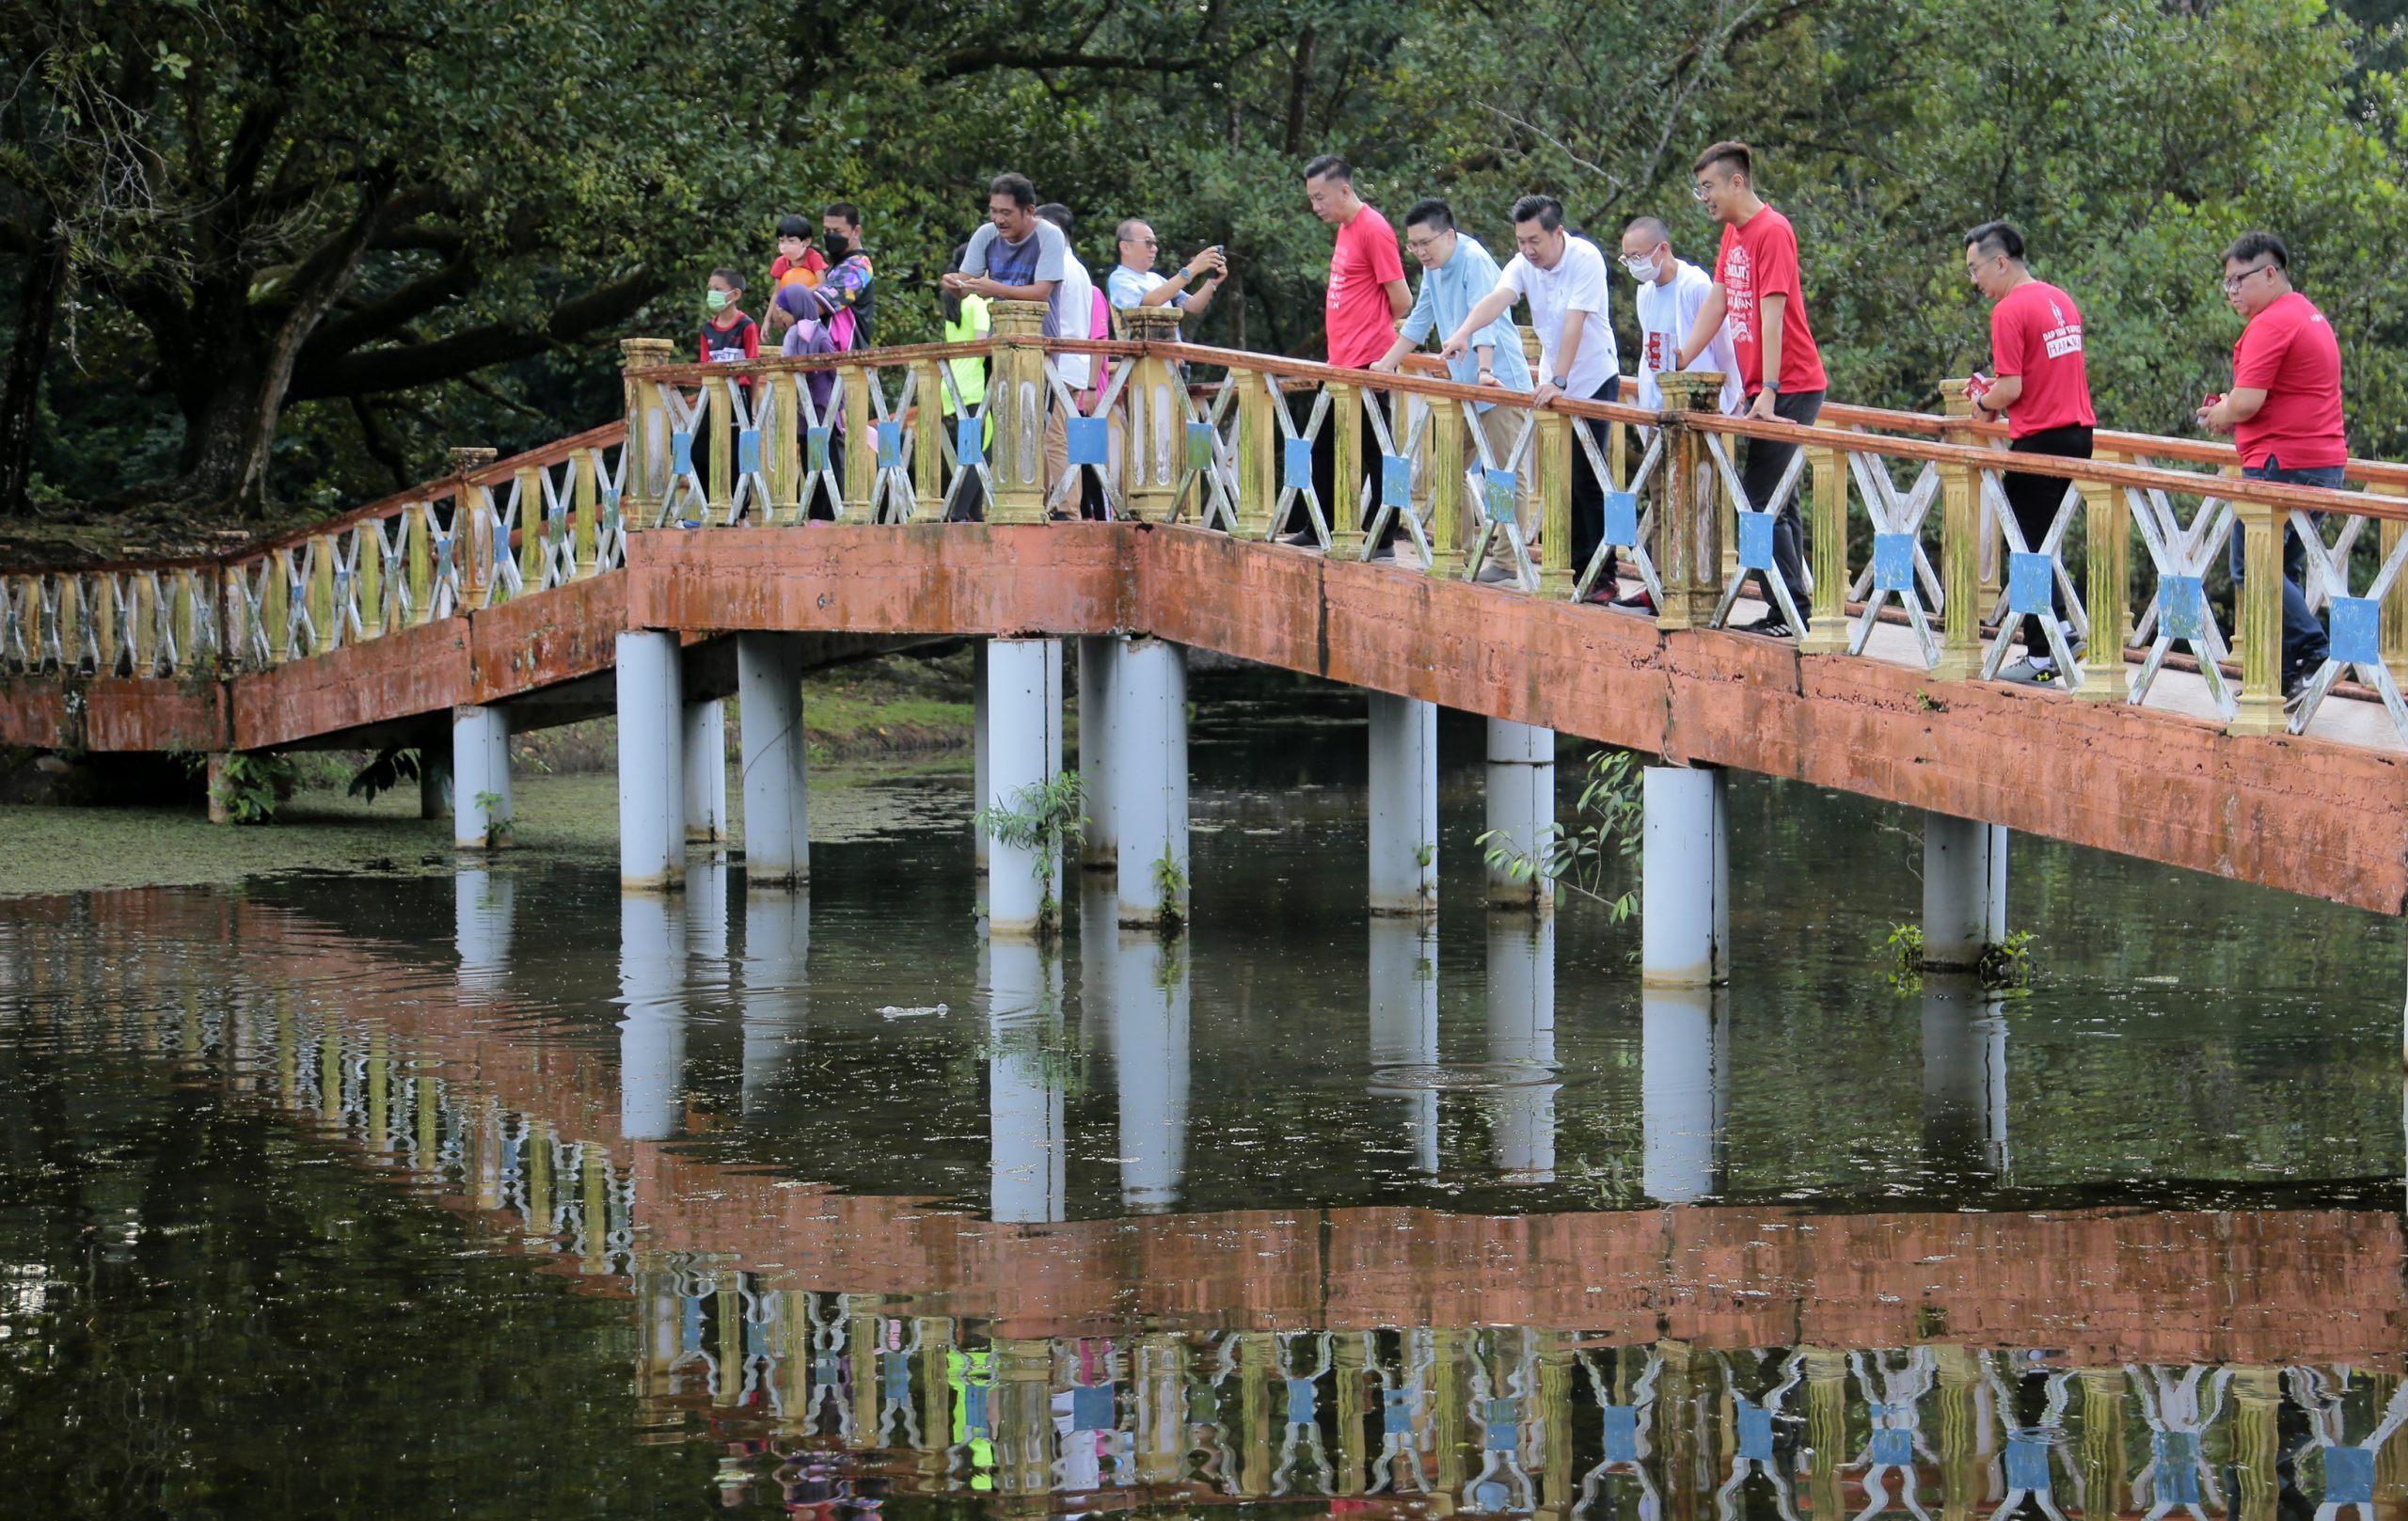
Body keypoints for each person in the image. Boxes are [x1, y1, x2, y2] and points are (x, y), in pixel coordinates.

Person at [1679, 140, 1828, 638]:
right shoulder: (1733, 235)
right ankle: (1788, 606)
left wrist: (1767, 387)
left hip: (1791, 383)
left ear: (1736, 181)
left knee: (1762, 500)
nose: (1704, 197)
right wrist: (1682, 356)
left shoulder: (1772, 231)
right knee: (1776, 500)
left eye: (1708, 187)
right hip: (1762, 385)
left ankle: (1789, 610)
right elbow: (1720, 302)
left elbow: (1773, 312)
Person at [1440, 194, 1619, 597]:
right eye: (1521, 241)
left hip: (1591, 376)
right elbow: (1496, 300)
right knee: (1561, 476)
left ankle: (1602, 575)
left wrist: (1559, 379)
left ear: (1558, 233)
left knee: (1588, 479)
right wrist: (1464, 331)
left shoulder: (1585, 258)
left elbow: (1576, 322)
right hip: (1553, 382)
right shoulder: (1523, 265)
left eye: (1534, 240)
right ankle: (1571, 569)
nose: (1527, 250)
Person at [2198, 230, 2338, 694]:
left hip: (2281, 462)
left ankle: (2315, 650)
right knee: (2285, 570)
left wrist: (2222, 412)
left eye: (2239, 280)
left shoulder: (2272, 322)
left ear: (2271, 273)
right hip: (2320, 462)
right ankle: (2280, 676)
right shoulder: (2309, 315)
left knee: (2253, 568)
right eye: (2228, 284)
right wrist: (2231, 406)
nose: (2233, 291)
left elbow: (2247, 403)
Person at [1963, 221, 2095, 685]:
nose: (1975, 281)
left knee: (2025, 549)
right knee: (2041, 543)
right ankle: (2059, 629)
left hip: (2040, 439)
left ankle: (2043, 653)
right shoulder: (2061, 299)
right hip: (2079, 434)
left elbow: (2012, 387)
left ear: (2001, 262)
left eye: (1976, 269)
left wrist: (1980, 400)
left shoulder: (2009, 310)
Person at [1370, 198, 1532, 570]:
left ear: (1449, 236)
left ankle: (1508, 563)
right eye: (1412, 245)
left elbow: (1486, 317)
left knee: (1505, 474)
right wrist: (1385, 365)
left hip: (1498, 382)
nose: (1419, 252)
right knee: (1446, 465)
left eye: (1425, 243)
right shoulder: (1433, 269)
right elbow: (1419, 320)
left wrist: (1485, 371)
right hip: (1464, 386)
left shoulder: (1473, 260)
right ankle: (1454, 552)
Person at [1615, 214, 1740, 612]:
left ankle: (1691, 589)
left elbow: (1723, 345)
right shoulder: (1646, 293)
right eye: (1628, 257)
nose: (1634, 263)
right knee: (1659, 499)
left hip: (1695, 411)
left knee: (1692, 500)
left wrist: (1729, 400)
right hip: (1657, 411)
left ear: (1662, 249)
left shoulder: (1695, 286)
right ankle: (1659, 586)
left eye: (1639, 255)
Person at [1303, 154, 1411, 555]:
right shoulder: (1346, 228)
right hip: (1340, 359)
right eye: (1312, 199)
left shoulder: (1373, 229)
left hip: (1369, 359)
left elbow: (1402, 299)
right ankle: (1320, 526)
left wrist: (1372, 331)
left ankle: (1382, 534)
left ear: (1345, 190)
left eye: (1320, 198)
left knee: (1375, 450)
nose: (1316, 207)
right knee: (1322, 447)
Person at [945, 173, 1072, 497]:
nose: (998, 219)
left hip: (1038, 347)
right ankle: (1009, 501)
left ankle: (1039, 502)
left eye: (1006, 213)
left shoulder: (1050, 237)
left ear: (1029, 211)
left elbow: (1042, 291)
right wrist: (955, 286)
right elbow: (966, 281)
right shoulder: (986, 235)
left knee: (1033, 429)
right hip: (998, 346)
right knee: (1003, 429)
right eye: (993, 211)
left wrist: (993, 288)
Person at [1036, 202, 1108, 517]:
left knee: (1053, 439)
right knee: (1057, 437)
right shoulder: (1079, 268)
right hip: (1074, 365)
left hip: (1057, 365)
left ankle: (1066, 508)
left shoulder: (1054, 266)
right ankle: (1057, 504)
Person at [767, 282, 841, 520]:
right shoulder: (794, 335)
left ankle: (832, 514)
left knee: (827, 463)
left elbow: (836, 371)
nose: (781, 317)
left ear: (797, 308)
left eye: (783, 311)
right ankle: (814, 514)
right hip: (802, 414)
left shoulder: (819, 335)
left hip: (822, 411)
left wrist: (841, 407)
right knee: (810, 463)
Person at [696, 267, 758, 514]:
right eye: (710, 289)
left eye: (718, 290)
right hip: (712, 397)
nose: (712, 294)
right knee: (697, 452)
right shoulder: (707, 330)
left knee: (735, 456)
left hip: (738, 398)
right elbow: (703, 368)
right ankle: (712, 504)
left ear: (734, 294)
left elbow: (754, 367)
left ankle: (738, 510)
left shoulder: (746, 325)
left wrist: (753, 405)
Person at [941, 243, 992, 522]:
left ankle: (972, 511)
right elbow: (983, 345)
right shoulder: (978, 303)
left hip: (954, 383)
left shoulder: (954, 302)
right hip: (975, 384)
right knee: (985, 451)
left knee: (971, 448)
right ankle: (959, 512)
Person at [1107, 219, 1227, 336]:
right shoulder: (1118, 279)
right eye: (1148, 243)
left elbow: (1193, 305)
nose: (1155, 249)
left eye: (1154, 243)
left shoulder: (1156, 279)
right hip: (1142, 355)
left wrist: (1212, 283)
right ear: (1125, 247)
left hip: (1171, 354)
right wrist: (1193, 268)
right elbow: (1149, 305)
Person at [815, 202, 875, 349]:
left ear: (856, 231)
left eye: (837, 231)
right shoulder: (836, 267)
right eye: (827, 230)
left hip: (847, 362)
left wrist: (787, 306)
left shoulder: (857, 268)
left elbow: (816, 307)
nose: (831, 236)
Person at [770, 214, 827, 294]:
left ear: (806, 242)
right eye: (782, 241)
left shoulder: (814, 258)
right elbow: (777, 293)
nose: (786, 245)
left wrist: (799, 294)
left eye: (791, 241)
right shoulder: (780, 263)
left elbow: (821, 284)